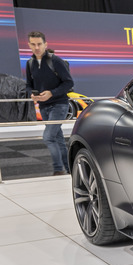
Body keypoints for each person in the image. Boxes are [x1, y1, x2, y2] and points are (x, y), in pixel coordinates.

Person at [25, 31, 74, 176]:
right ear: (29, 45)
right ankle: (70, 169)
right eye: (33, 44)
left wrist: (51, 93)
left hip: (59, 104)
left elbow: (69, 82)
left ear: (45, 44)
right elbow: (28, 84)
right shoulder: (30, 63)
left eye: (39, 44)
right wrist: (32, 94)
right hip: (44, 107)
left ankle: (58, 169)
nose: (37, 47)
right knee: (58, 138)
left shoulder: (56, 61)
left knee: (48, 137)